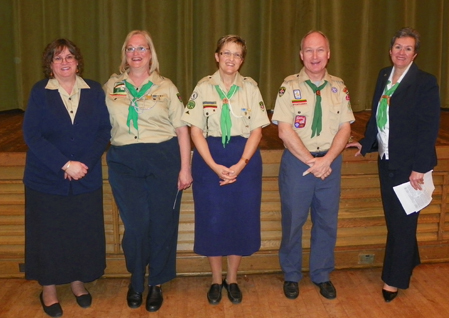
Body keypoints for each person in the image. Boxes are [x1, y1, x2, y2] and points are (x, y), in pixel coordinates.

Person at [346, 27, 440, 302]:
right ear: (391, 50)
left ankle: (393, 281)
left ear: (415, 53)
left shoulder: (425, 82)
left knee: (402, 224)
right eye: (398, 47)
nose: (401, 52)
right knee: (398, 220)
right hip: (387, 160)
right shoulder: (384, 76)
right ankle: (408, 260)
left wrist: (419, 168)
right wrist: (366, 142)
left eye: (408, 48)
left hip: (411, 166)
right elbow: (378, 115)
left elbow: (428, 128)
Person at [103, 30, 192, 312]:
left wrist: (186, 168)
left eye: (142, 48)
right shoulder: (112, 86)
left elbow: (181, 128)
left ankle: (156, 282)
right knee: (137, 225)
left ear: (151, 53)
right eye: (131, 48)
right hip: (124, 160)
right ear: (124, 54)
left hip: (162, 158)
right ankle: (136, 278)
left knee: (162, 224)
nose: (136, 53)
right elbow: (96, 124)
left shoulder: (166, 86)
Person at [23, 38, 111, 317]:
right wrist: (64, 164)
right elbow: (32, 135)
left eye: (69, 57)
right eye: (58, 58)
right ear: (50, 64)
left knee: (80, 234)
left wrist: (82, 164)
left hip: (85, 177)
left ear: (77, 61)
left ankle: (77, 283)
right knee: (47, 236)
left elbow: (103, 131)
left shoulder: (94, 90)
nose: (64, 62)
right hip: (46, 179)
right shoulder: (40, 92)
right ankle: (48, 289)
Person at [181, 35, 270, 305]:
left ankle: (232, 279)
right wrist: (214, 166)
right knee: (213, 221)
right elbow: (195, 130)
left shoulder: (250, 88)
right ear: (217, 56)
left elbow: (256, 130)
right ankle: (215, 279)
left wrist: (241, 164)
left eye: (237, 54)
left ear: (242, 60)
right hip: (210, 159)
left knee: (240, 219)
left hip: (244, 159)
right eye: (226, 53)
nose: (231, 58)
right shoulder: (203, 88)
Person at [272, 30, 355, 301]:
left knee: (326, 222)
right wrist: (312, 161)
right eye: (309, 50)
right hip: (299, 164)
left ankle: (321, 274)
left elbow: (345, 127)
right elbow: (284, 130)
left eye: (320, 50)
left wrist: (327, 160)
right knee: (293, 221)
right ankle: (292, 275)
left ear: (328, 54)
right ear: (301, 55)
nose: (315, 56)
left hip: (330, 164)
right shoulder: (288, 86)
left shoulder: (338, 87)